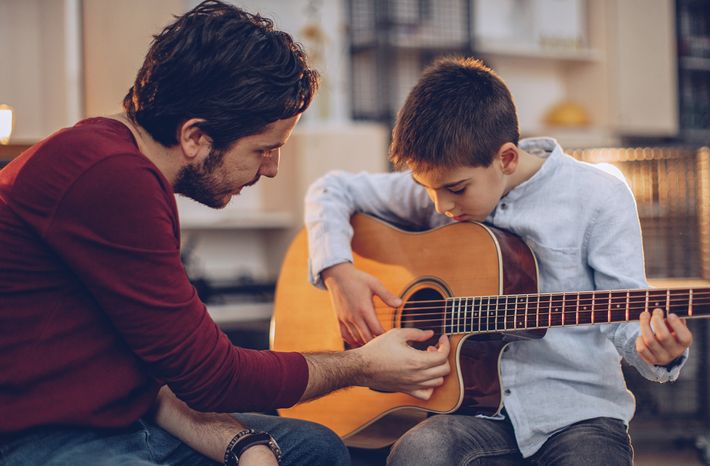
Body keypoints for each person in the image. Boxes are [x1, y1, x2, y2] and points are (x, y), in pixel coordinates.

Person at [0, 1, 450, 465]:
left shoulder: (120, 163)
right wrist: (362, 367)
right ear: (195, 137)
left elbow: (165, 368)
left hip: (133, 416)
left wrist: (241, 441)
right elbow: (211, 375)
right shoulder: (109, 177)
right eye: (264, 149)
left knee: (318, 449)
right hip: (42, 435)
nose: (272, 168)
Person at [304, 56, 694, 465]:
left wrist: (657, 349)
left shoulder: (599, 196)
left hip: (579, 413)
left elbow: (625, 317)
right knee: (419, 452)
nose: (440, 204)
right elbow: (330, 190)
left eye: (456, 188)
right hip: (472, 415)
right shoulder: (443, 183)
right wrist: (337, 272)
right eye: (427, 188)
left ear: (506, 158)